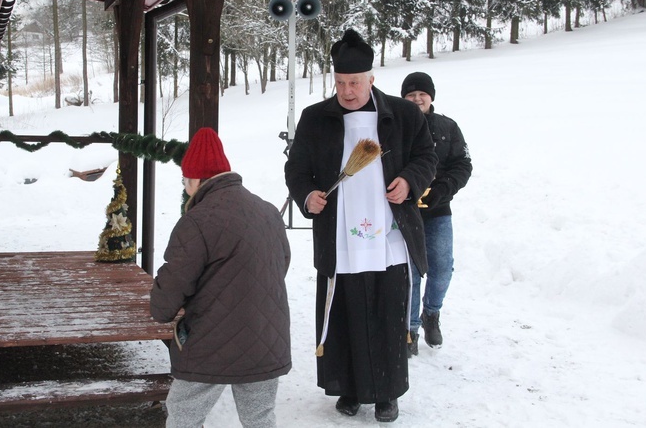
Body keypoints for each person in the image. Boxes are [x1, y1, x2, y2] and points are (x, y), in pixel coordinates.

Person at [284, 30, 437, 423]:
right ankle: (348, 388)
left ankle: (387, 393)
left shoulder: (402, 116)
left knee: (387, 312)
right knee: (345, 311)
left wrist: (408, 181)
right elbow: (296, 168)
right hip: (340, 235)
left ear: (372, 78)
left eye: (354, 82)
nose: (347, 91)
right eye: (340, 83)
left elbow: (426, 157)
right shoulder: (316, 118)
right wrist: (307, 195)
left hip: (389, 235)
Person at [150, 127, 292, 428]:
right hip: (265, 340)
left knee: (184, 414)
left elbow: (174, 282)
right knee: (260, 418)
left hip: (210, 343)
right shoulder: (267, 212)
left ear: (196, 180)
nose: (186, 188)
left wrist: (160, 310)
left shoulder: (196, 221)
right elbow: (282, 263)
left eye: (185, 181)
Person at [401, 72, 472, 356]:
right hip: (405, 211)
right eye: (411, 95)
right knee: (411, 272)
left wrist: (442, 190)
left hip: (439, 211)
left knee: (442, 267)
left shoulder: (448, 127)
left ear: (431, 96)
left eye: (422, 94)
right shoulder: (396, 125)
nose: (417, 99)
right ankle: (411, 329)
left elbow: (462, 165)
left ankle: (432, 313)